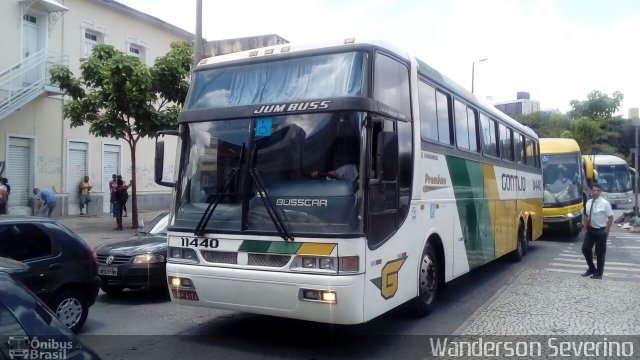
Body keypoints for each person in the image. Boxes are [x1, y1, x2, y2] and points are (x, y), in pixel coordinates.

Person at [581, 183, 614, 280]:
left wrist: (606, 231)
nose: (595, 192)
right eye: (594, 190)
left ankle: (599, 273)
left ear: (600, 192)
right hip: (591, 230)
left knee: (600, 253)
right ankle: (591, 268)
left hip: (601, 230)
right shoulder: (588, 202)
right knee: (585, 249)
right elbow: (586, 216)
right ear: (591, 191)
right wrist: (585, 228)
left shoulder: (605, 203)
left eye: (597, 191)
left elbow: (611, 218)